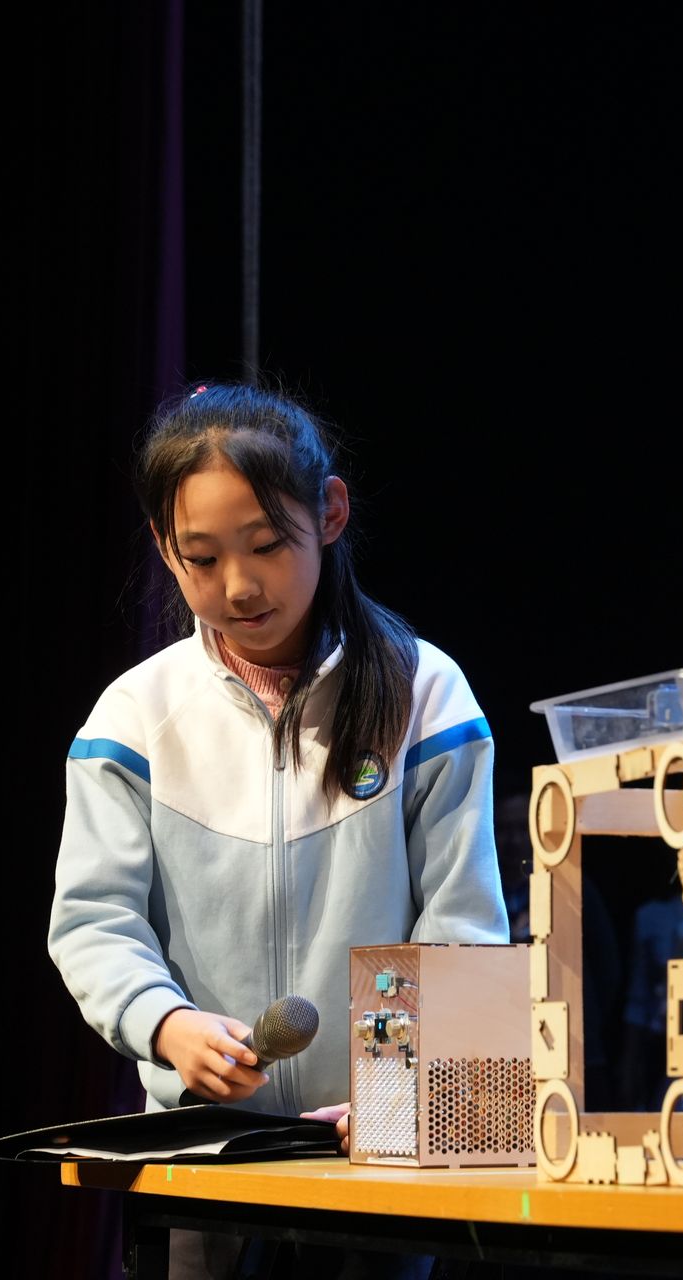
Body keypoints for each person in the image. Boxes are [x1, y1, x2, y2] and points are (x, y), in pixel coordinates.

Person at [47, 383, 508, 1147]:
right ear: (164, 545)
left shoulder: (425, 693)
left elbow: (458, 924)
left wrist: (394, 1087)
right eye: (202, 557)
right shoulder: (133, 717)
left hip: (375, 1143)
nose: (239, 586)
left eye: (266, 545)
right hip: (200, 1146)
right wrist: (168, 1024)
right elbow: (96, 920)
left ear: (330, 513)